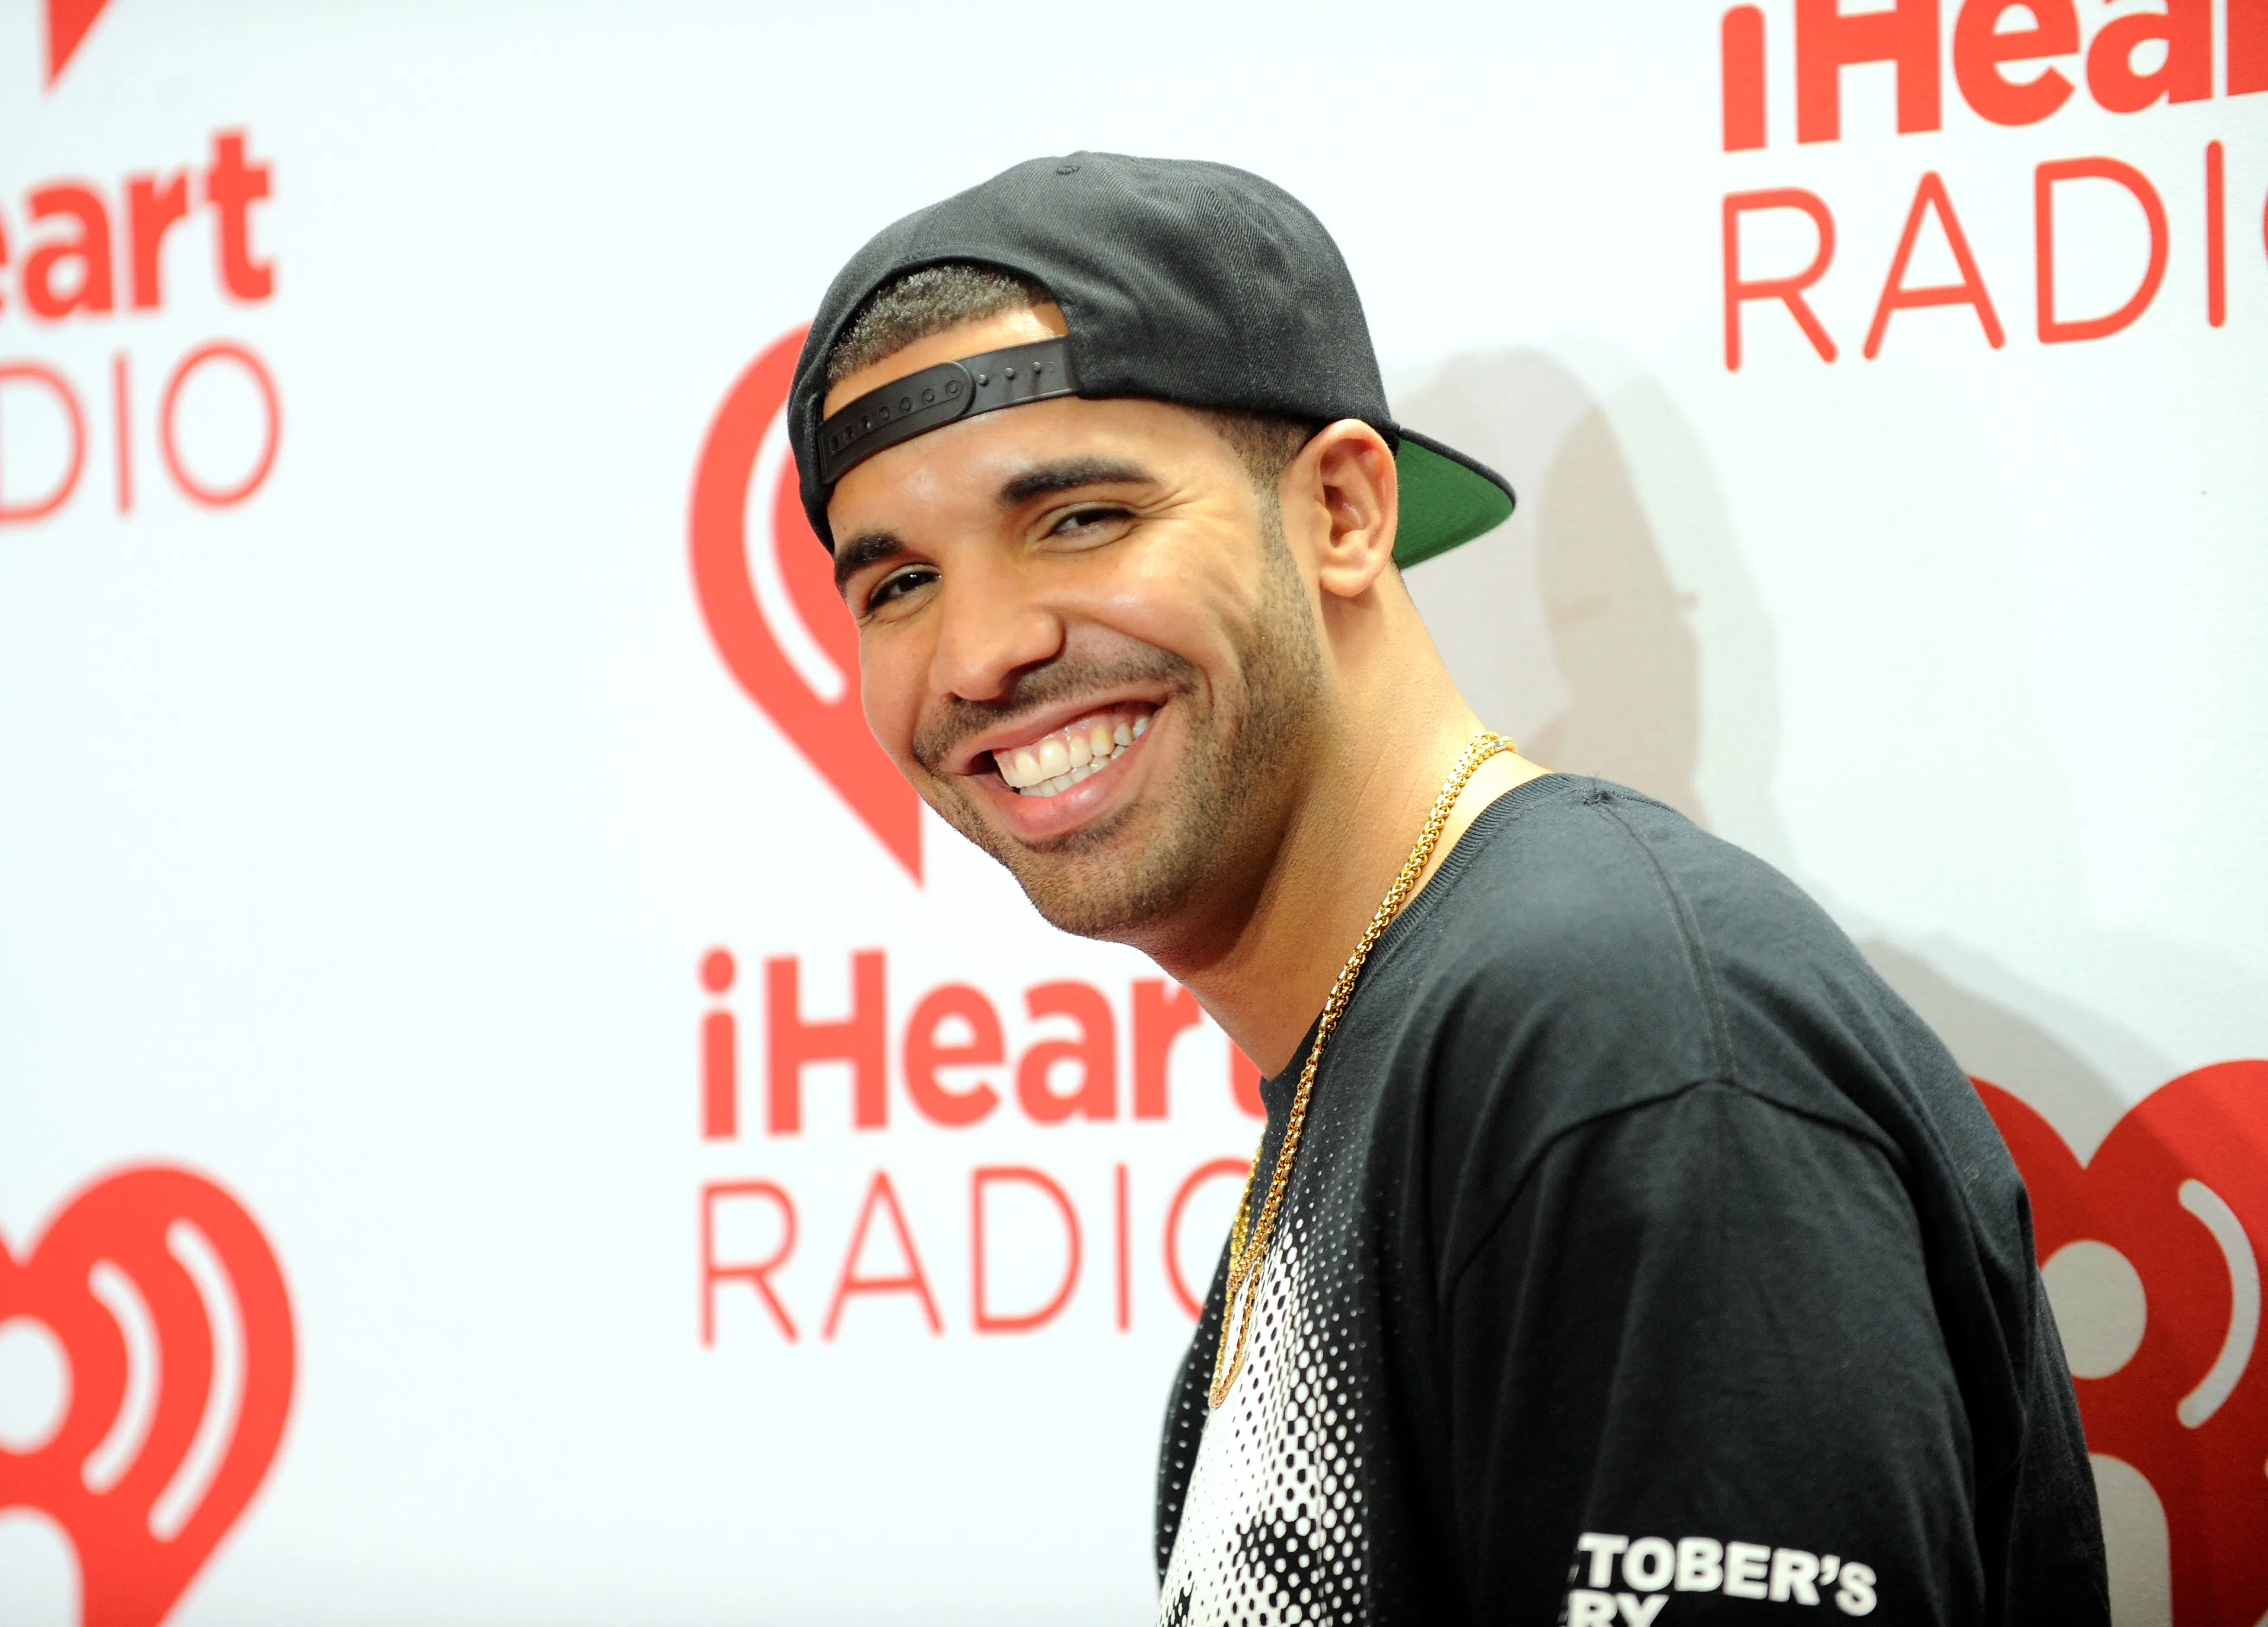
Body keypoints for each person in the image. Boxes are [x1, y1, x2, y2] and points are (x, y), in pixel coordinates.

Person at [784, 153, 2108, 1626]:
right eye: (897, 584)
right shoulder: (1399, 1050)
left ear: (1345, 510)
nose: (979, 652)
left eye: (1080, 517)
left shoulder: (1613, 1024)